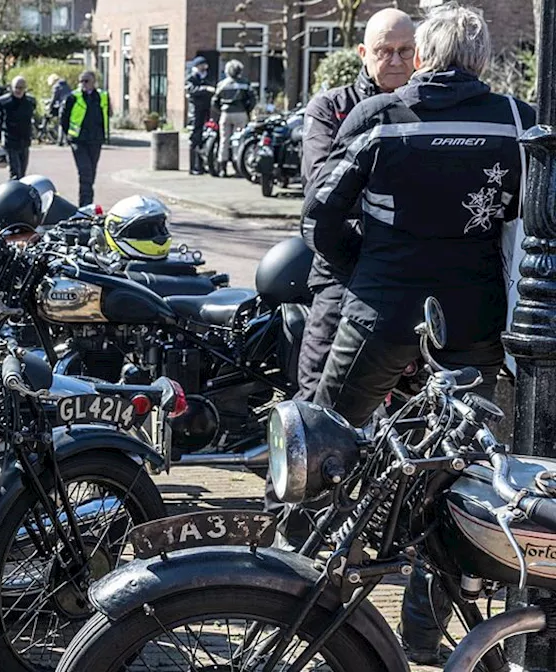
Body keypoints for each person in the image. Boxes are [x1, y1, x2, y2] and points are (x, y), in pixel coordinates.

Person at [302, 6, 534, 663]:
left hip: (383, 306)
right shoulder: (516, 121)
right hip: (471, 316)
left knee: (325, 439)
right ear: (483, 61)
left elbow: (320, 213)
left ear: (424, 57)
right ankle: (426, 632)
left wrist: (366, 271)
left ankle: (296, 595)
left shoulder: (381, 116)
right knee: (454, 472)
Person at [297, 8, 416, 402]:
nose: (395, 61)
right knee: (319, 388)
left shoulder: (424, 110)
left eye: (405, 50)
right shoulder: (330, 107)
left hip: (408, 268)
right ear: (364, 52)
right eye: (385, 50)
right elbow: (320, 192)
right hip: (342, 267)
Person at [60, 70, 108, 206]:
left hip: (95, 140)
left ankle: (87, 204)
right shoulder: (73, 97)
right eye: (81, 81)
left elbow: (106, 114)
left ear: (94, 82)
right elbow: (64, 118)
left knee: (91, 173)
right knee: (85, 172)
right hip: (78, 141)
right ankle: (85, 206)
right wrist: (68, 135)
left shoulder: (102, 97)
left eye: (86, 81)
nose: (83, 84)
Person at [210, 59, 255, 177]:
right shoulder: (245, 83)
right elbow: (252, 99)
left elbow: (214, 101)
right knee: (238, 141)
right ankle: (238, 167)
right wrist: (247, 110)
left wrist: (221, 110)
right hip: (240, 113)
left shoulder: (222, 84)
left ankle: (222, 168)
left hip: (225, 114)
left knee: (224, 140)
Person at [0, 75, 35, 180]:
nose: (18, 90)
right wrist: (1, 137)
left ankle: (21, 193)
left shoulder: (30, 102)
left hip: (25, 140)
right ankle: (13, 193)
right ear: (11, 88)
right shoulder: (3, 102)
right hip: (10, 140)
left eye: (21, 88)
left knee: (22, 171)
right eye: (16, 87)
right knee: (15, 172)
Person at [184, 57, 213, 175]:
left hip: (206, 110)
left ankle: (201, 165)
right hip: (195, 112)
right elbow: (191, 89)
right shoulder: (191, 77)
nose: (205, 67)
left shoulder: (207, 76)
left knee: (204, 138)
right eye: (202, 65)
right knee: (195, 138)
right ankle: (192, 167)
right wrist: (205, 89)